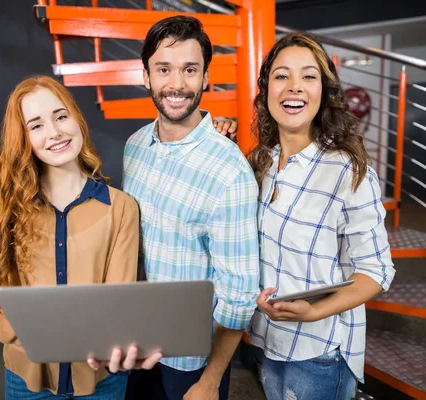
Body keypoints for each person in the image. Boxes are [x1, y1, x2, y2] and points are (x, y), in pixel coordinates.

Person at [0, 75, 161, 400]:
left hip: (101, 379)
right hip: (27, 376)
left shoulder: (121, 207)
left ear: (77, 120)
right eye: (37, 125)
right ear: (24, 138)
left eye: (60, 116)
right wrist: (30, 337)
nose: (54, 132)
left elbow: (117, 300)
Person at [247, 32, 396, 400]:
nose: (293, 87)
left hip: (320, 350)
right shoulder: (260, 162)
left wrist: (314, 313)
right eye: (281, 76)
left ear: (325, 91)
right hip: (266, 338)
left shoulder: (348, 170)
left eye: (308, 76)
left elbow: (377, 272)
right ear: (266, 89)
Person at [120, 15, 260, 400]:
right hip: (137, 341)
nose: (177, 84)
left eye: (190, 70)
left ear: (205, 77)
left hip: (190, 361)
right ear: (146, 76)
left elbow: (239, 297)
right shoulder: (134, 146)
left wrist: (210, 381)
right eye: (164, 69)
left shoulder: (230, 171)